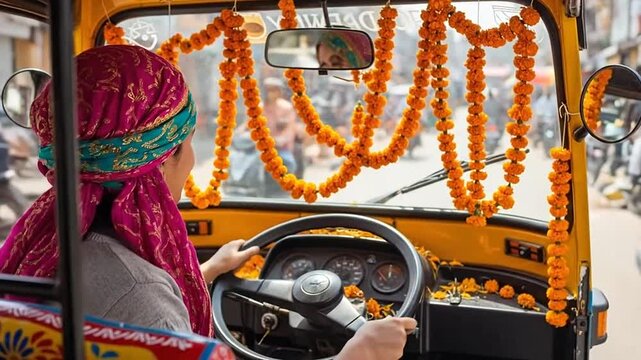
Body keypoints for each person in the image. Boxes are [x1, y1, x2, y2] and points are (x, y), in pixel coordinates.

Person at [0, 45, 415, 358]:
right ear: (162, 161)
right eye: (187, 143)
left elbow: (113, 290)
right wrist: (359, 353)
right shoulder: (143, 296)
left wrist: (209, 271)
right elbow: (133, 296)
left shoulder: (53, 241)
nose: (193, 158)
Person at [0, 127, 29, 225]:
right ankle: (26, 224)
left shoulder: (3, 141)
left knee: (19, 203)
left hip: (3, 178)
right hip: (2, 181)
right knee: (20, 205)